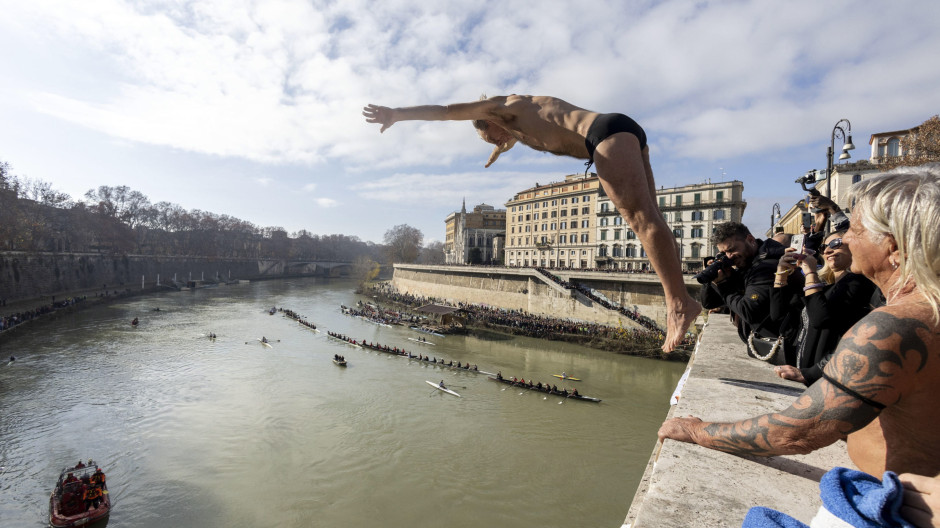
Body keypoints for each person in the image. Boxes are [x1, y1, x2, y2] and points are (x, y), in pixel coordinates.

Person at [658, 166, 940, 477]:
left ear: (894, 246)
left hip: (899, 493)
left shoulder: (895, 325)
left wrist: (697, 430)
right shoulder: (926, 309)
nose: (844, 239)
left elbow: (797, 432)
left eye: (856, 230)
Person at [363, 95, 702, 352]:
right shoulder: (514, 127)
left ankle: (678, 305)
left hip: (603, 135)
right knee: (654, 220)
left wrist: (397, 114)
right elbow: (509, 139)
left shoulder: (503, 107)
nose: (498, 143)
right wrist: (496, 152)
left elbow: (446, 111)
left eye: (491, 138)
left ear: (488, 119)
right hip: (623, 130)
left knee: (640, 221)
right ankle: (681, 299)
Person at [770, 231, 876, 385]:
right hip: (807, 373)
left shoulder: (858, 282)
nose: (827, 250)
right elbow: (777, 314)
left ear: (854, 246)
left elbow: (820, 320)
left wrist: (810, 273)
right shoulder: (825, 286)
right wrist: (781, 273)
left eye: (835, 243)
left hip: (826, 379)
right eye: (823, 247)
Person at [699, 222, 796, 355]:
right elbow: (709, 303)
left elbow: (748, 312)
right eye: (724, 253)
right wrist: (712, 275)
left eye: (731, 249)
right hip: (766, 343)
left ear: (750, 240)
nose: (729, 256)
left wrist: (722, 284)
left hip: (783, 347)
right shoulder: (748, 265)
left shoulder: (766, 267)